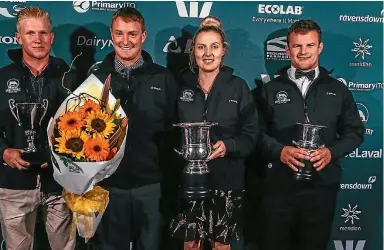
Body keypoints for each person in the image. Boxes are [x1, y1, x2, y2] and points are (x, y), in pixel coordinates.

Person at [0, 6, 80, 250]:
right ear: (18, 37)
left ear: (52, 37)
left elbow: (84, 127)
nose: (38, 39)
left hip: (61, 183)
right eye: (30, 33)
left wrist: (60, 156)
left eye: (43, 33)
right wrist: (4, 152)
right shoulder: (0, 80)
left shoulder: (71, 78)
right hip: (15, 184)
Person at [258, 19, 365, 250]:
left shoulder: (338, 90)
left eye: (309, 45)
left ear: (320, 47)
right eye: (297, 46)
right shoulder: (268, 90)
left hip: (321, 189)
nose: (303, 52)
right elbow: (254, 133)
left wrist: (331, 152)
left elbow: (355, 132)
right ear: (287, 50)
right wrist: (280, 151)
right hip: (278, 188)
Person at [90, 7, 179, 250]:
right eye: (119, 33)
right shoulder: (95, 79)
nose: (125, 40)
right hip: (107, 186)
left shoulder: (163, 78)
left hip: (150, 187)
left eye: (132, 34)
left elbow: (174, 134)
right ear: (111, 34)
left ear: (143, 36)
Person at [170, 22, 259, 250]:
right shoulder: (180, 85)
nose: (207, 54)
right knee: (191, 245)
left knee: (221, 246)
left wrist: (228, 146)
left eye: (214, 47)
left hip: (227, 180)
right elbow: (168, 132)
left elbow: (251, 135)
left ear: (223, 50)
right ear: (193, 51)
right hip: (189, 182)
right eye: (201, 47)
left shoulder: (238, 87)